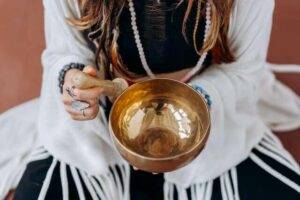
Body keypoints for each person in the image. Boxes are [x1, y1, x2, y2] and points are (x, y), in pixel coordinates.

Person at [0, 0, 299, 199]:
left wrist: (194, 102)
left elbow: (244, 71)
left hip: (211, 113)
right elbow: (63, 50)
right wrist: (71, 78)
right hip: (99, 125)